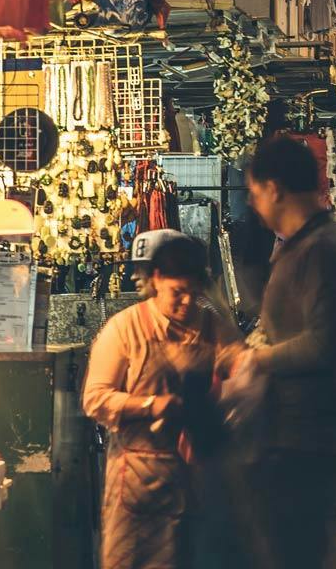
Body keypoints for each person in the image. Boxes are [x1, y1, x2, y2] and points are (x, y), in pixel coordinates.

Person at [239, 134, 336, 569]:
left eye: (254, 192)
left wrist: (257, 359)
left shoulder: (322, 250)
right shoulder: (301, 246)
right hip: (293, 434)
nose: (254, 204)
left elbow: (324, 344)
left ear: (274, 189)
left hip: (304, 441)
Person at [83, 235, 228, 569]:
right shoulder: (124, 329)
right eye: (178, 293)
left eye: (194, 294)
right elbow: (94, 399)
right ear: (156, 280)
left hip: (193, 482)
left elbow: (241, 371)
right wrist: (152, 405)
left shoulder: (211, 326)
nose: (187, 303)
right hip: (137, 484)